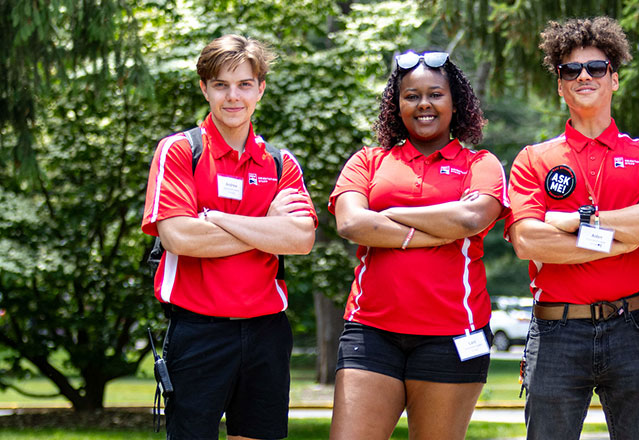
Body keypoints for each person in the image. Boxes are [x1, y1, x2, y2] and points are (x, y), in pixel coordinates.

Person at [507, 17, 639, 440]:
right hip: (556, 331)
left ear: (615, 79)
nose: (584, 76)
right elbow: (529, 240)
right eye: (570, 70)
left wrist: (572, 222)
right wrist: (626, 238)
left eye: (597, 67)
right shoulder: (533, 159)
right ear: (560, 85)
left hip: (636, 327)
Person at [141, 34, 317, 440]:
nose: (233, 96)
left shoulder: (279, 162)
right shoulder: (181, 151)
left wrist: (217, 219)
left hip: (267, 331)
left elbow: (301, 239)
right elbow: (181, 238)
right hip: (198, 330)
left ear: (261, 89)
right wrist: (267, 226)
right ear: (204, 88)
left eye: (244, 84)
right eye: (221, 84)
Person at [326, 50, 506, 440]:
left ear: (454, 102)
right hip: (371, 331)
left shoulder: (481, 164)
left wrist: (385, 214)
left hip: (454, 334)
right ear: (397, 104)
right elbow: (351, 221)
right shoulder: (369, 160)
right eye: (412, 95)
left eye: (435, 94)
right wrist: (436, 231)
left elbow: (470, 219)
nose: (424, 104)